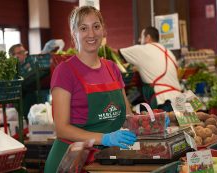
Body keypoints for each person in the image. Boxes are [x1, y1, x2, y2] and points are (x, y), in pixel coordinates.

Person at [44, 6, 136, 173]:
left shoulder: (112, 68)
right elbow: (62, 129)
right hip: (71, 160)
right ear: (74, 33)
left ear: (103, 30)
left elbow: (126, 117)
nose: (91, 34)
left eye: (96, 26)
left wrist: (152, 123)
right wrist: (105, 138)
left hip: (104, 160)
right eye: (83, 28)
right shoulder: (65, 72)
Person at [119, 26, 182, 111]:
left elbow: (117, 53)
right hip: (180, 99)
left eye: (141, 37)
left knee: (164, 124)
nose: (139, 40)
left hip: (163, 100)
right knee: (186, 124)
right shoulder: (168, 52)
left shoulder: (143, 49)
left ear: (148, 37)